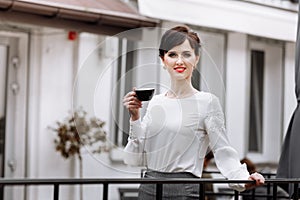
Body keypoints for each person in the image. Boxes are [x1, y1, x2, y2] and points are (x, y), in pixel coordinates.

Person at [123, 25, 264, 199]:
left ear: (196, 59)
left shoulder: (207, 102)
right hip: (148, 188)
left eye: (186, 54)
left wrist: (243, 178)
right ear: (162, 60)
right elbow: (135, 158)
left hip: (184, 190)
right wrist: (135, 117)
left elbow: (222, 150)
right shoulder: (155, 103)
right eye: (172, 54)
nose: (179, 61)